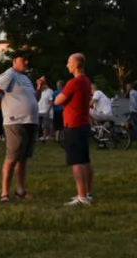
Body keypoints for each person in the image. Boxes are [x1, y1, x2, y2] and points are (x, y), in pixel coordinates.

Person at [0, 50, 39, 201]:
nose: (27, 62)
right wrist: (4, 108)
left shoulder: (25, 78)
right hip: (15, 121)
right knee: (12, 158)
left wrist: (39, 87)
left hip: (30, 121)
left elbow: (34, 98)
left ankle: (20, 191)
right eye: (24, 60)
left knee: (22, 158)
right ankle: (4, 193)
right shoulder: (9, 74)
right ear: (14, 61)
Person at [54, 53, 93, 206]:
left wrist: (63, 101)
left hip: (74, 125)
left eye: (69, 62)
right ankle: (88, 193)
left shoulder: (73, 83)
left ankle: (81, 196)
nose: (67, 65)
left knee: (76, 161)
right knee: (85, 159)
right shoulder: (86, 81)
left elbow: (58, 100)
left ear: (76, 65)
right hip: (84, 124)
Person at [36, 76, 54, 142]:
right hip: (38, 110)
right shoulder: (39, 91)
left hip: (45, 110)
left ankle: (44, 137)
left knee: (45, 125)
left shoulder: (49, 91)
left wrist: (48, 110)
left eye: (42, 85)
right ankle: (37, 138)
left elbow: (51, 101)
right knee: (37, 125)